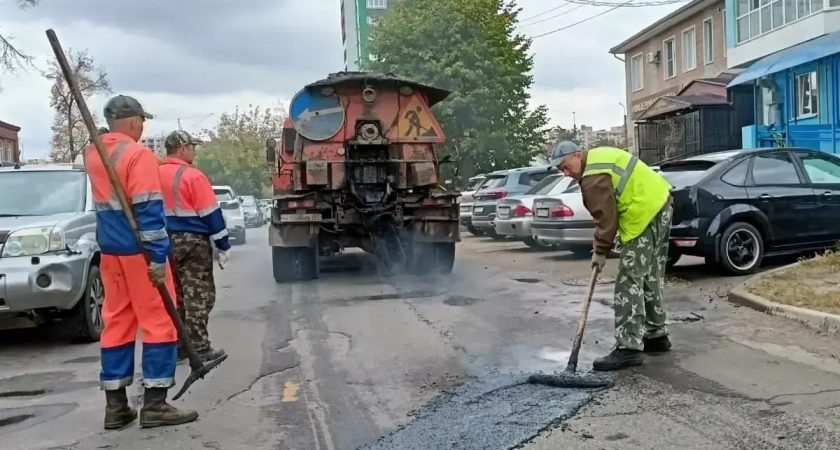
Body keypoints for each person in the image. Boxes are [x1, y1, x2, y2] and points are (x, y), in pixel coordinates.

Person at [85, 94, 199, 429]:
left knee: (117, 323)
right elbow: (148, 210)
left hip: (110, 251)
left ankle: (116, 406)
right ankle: (155, 403)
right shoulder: (138, 155)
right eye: (142, 120)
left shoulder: (93, 151)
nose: (143, 125)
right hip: (139, 252)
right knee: (160, 322)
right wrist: (158, 256)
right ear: (133, 121)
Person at [550, 141, 673, 371]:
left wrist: (600, 251)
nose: (566, 173)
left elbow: (606, 219)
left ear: (577, 155)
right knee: (649, 274)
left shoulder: (593, 177)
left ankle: (628, 348)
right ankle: (656, 335)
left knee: (629, 280)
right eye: (561, 170)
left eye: (566, 166)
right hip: (661, 203)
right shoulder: (598, 157)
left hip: (643, 213)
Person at [159, 130, 229, 363]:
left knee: (177, 294)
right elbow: (210, 213)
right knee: (199, 295)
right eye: (192, 147)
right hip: (192, 241)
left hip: (164, 240)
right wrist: (223, 244)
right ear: (182, 149)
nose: (194, 151)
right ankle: (199, 347)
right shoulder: (192, 176)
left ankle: (180, 345)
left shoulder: (154, 174)